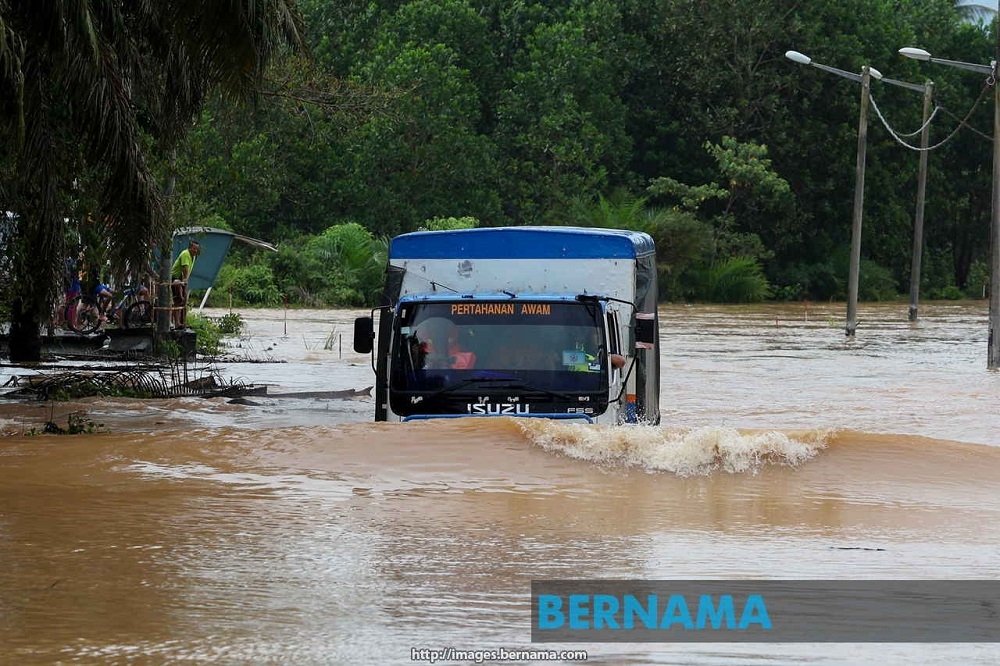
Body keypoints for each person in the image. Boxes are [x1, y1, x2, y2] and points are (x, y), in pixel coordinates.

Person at [170, 239, 200, 329]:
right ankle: (176, 323)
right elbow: (185, 267)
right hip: (176, 278)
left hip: (181, 280)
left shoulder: (193, 256)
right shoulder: (185, 254)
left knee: (183, 301)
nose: (195, 251)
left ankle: (181, 323)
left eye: (197, 249)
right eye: (194, 248)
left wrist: (185, 280)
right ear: (189, 248)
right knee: (178, 300)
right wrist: (186, 279)